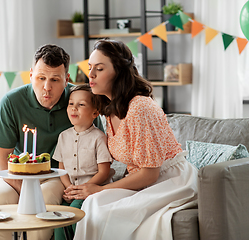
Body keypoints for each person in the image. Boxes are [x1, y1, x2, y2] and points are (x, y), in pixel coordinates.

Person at [64, 39, 198, 240]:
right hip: (143, 181)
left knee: (104, 210)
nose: (90, 74)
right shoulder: (108, 111)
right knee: (93, 203)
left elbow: (150, 174)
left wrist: (98, 188)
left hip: (171, 180)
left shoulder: (140, 108)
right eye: (90, 67)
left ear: (118, 72)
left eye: (99, 69)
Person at [0, 44, 102, 240]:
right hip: (18, 175)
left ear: (66, 80)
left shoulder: (80, 101)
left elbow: (97, 145)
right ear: (30, 75)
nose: (47, 87)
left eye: (55, 79)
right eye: (41, 78)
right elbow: (2, 157)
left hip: (58, 176)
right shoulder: (11, 102)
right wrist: (25, 189)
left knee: (44, 200)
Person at [52, 84, 113, 240]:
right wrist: (69, 188)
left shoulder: (99, 137)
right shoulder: (63, 136)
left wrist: (82, 189)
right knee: (58, 218)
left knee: (73, 214)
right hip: (72, 191)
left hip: (93, 191)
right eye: (71, 104)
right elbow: (61, 168)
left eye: (81, 105)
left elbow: (104, 171)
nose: (74, 108)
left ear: (95, 112)